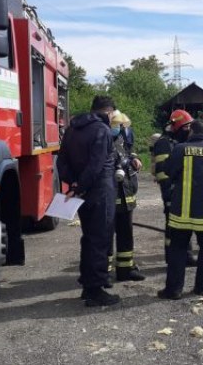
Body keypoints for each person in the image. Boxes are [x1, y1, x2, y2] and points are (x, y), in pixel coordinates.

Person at [57, 95, 120, 307]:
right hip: (100, 191)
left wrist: (74, 184)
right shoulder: (102, 130)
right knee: (100, 240)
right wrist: (81, 185)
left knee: (89, 238)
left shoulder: (72, 129)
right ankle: (96, 290)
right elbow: (96, 165)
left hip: (82, 194)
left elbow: (61, 162)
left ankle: (87, 284)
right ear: (109, 112)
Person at [158, 120, 203, 300]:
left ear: (191, 132)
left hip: (183, 211)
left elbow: (168, 171)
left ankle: (173, 290)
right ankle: (201, 288)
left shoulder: (181, 148)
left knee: (178, 249)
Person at [152, 109, 197, 266]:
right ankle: (173, 259)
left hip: (183, 192)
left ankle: (187, 256)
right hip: (172, 194)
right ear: (176, 127)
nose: (188, 130)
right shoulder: (164, 143)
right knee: (172, 229)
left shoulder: (179, 142)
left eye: (189, 127)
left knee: (185, 226)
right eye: (185, 127)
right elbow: (162, 173)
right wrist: (169, 196)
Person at [108, 111, 146, 282]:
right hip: (110, 197)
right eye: (118, 126)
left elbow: (128, 153)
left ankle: (125, 270)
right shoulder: (103, 142)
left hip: (126, 197)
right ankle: (104, 273)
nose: (121, 129)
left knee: (125, 234)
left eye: (122, 126)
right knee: (106, 236)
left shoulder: (120, 141)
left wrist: (134, 159)